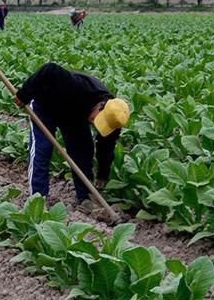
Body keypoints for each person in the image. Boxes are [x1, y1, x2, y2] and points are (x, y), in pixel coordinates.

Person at [13, 63, 130, 218]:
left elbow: (106, 146)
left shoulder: (114, 118)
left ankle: (85, 198)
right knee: (43, 149)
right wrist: (24, 94)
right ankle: (37, 200)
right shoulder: (77, 87)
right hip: (46, 105)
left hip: (74, 114)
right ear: (100, 106)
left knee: (83, 151)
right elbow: (50, 69)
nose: (95, 124)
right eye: (97, 120)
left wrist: (103, 173)